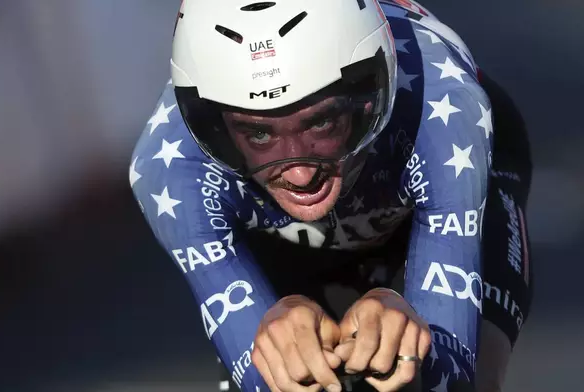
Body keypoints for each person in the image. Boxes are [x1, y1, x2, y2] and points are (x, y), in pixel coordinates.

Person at [129, 0, 533, 391]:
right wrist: (275, 326)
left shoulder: (444, 117)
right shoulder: (172, 168)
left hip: (419, 212)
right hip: (282, 246)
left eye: (321, 122)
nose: (301, 174)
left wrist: (409, 327)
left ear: (371, 89)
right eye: (258, 133)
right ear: (210, 125)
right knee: (284, 370)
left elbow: (452, 374)